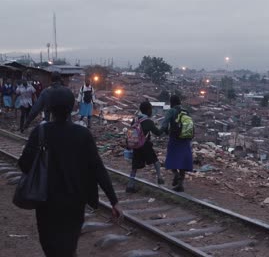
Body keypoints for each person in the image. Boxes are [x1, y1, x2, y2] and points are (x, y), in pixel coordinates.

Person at [18, 87, 122, 257]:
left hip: (46, 201)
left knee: (49, 245)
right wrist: (114, 201)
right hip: (75, 202)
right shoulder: (83, 134)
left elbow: (24, 165)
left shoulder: (40, 132)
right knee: (68, 244)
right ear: (72, 108)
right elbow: (98, 168)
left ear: (49, 108)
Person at [126, 101, 164, 193]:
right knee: (155, 161)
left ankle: (130, 185)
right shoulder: (148, 121)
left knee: (134, 166)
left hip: (135, 145)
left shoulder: (135, 119)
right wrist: (164, 127)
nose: (151, 111)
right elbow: (158, 133)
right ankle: (160, 178)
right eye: (151, 109)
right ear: (148, 110)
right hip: (145, 145)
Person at [160, 95, 193, 192]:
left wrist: (163, 132)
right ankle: (180, 184)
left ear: (171, 103)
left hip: (175, 138)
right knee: (183, 161)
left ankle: (176, 175)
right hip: (186, 139)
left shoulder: (171, 111)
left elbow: (165, 124)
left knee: (172, 159)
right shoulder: (186, 111)